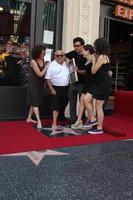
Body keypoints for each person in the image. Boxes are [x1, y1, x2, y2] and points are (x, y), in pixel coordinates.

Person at [84, 38, 112, 134]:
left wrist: (93, 61)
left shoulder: (101, 57)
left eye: (95, 45)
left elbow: (93, 71)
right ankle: (92, 119)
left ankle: (99, 128)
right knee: (86, 99)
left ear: (99, 46)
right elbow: (107, 70)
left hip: (103, 84)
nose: (94, 47)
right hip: (98, 83)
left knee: (98, 106)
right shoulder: (103, 56)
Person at [71, 44, 95, 129]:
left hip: (92, 84)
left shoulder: (93, 59)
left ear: (88, 51)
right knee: (82, 101)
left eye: (84, 51)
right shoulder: (87, 60)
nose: (82, 52)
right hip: (86, 83)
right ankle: (80, 121)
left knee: (87, 102)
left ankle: (90, 120)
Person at [45, 50, 69, 128]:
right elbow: (48, 79)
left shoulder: (67, 64)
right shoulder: (51, 65)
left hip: (66, 88)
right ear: (54, 56)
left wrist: (67, 60)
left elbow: (73, 70)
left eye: (61, 55)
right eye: (57, 55)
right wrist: (51, 89)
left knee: (64, 103)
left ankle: (61, 117)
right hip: (56, 87)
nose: (59, 57)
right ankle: (54, 122)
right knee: (55, 105)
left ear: (64, 56)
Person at [65, 37, 87, 124]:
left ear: (82, 45)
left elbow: (87, 71)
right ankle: (73, 120)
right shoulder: (73, 53)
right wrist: (69, 61)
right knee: (72, 103)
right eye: (74, 46)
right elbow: (64, 55)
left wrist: (77, 70)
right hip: (73, 82)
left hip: (83, 83)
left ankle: (83, 119)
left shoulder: (86, 55)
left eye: (78, 46)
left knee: (83, 103)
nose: (76, 48)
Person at [26, 44, 48, 129]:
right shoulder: (33, 62)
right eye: (43, 53)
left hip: (40, 84)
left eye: (45, 53)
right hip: (33, 84)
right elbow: (40, 74)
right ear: (38, 53)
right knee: (35, 102)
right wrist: (46, 67)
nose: (44, 54)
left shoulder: (43, 60)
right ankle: (39, 121)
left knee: (34, 101)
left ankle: (29, 118)